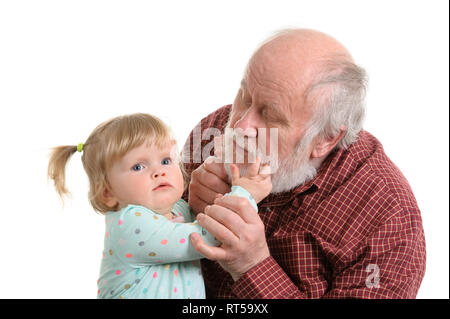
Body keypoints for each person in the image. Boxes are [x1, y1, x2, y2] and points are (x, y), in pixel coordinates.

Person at [183, 29, 426, 298]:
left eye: (271, 115)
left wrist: (251, 266)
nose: (241, 125)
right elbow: (138, 236)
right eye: (246, 97)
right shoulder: (214, 129)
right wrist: (181, 206)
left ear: (326, 139)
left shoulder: (386, 218)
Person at [47, 113, 271, 299]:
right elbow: (207, 237)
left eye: (165, 160)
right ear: (107, 192)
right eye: (138, 166)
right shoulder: (131, 223)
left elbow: (203, 219)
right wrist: (245, 194)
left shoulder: (178, 210)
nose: (159, 171)